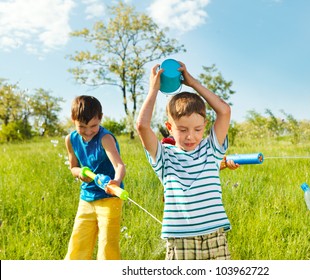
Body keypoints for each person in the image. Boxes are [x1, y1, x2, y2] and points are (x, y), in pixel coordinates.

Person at [136, 61, 232, 260]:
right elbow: (142, 126)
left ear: (205, 126)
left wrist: (193, 83)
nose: (191, 136)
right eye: (182, 129)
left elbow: (224, 111)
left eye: (197, 129)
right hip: (181, 242)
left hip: (215, 237)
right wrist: (153, 89)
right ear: (169, 128)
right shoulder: (164, 156)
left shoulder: (211, 149)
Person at [64, 95, 126, 260]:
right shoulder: (71, 140)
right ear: (73, 119)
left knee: (107, 246)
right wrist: (80, 173)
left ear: (100, 118)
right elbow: (73, 168)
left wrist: (117, 182)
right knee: (78, 243)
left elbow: (120, 166)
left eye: (94, 126)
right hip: (86, 198)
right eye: (82, 126)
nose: (89, 131)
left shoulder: (105, 138)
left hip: (109, 198)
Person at [161, 136, 239, 170]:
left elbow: (204, 167)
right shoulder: (170, 149)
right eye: (183, 129)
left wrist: (224, 164)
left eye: (197, 129)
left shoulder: (200, 145)